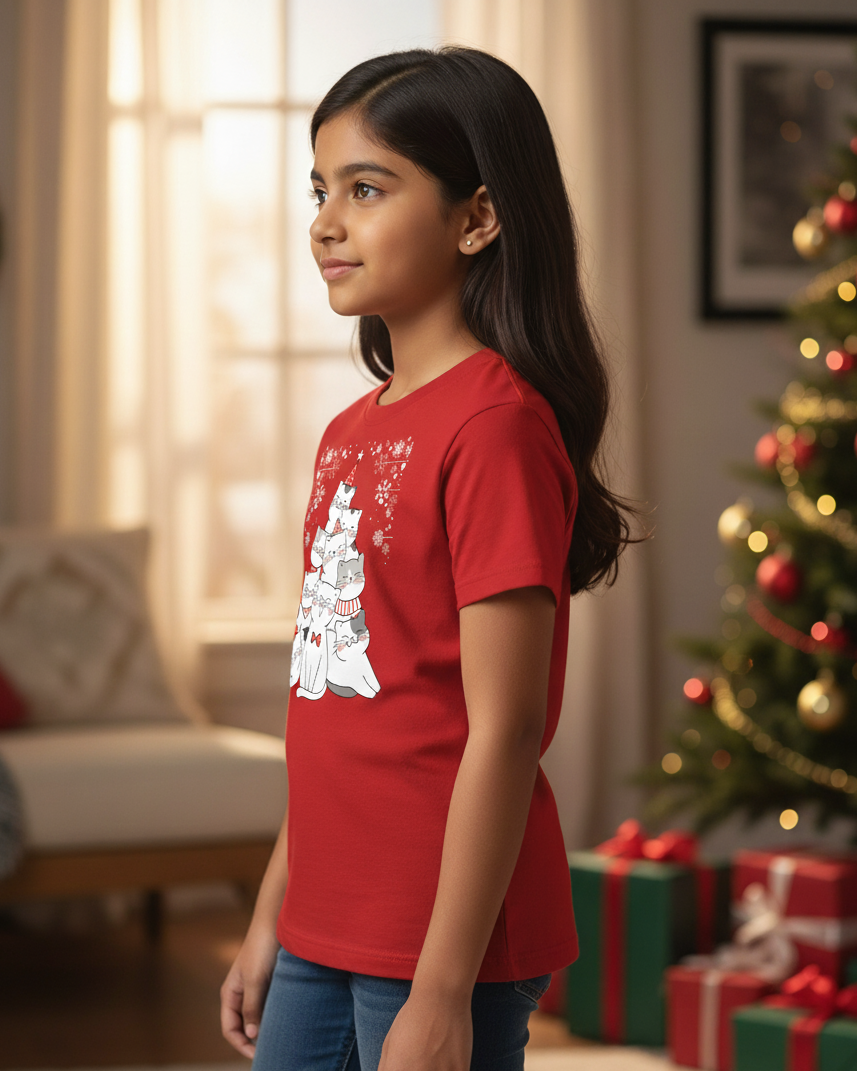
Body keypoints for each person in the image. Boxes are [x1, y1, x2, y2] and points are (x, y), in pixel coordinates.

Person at [221, 45, 641, 1071]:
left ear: (476, 217)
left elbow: (504, 731)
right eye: (320, 189)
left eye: (367, 189)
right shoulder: (347, 433)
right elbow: (328, 705)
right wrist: (272, 912)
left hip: (439, 935)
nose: (325, 221)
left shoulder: (495, 428)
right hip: (324, 917)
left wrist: (445, 988)